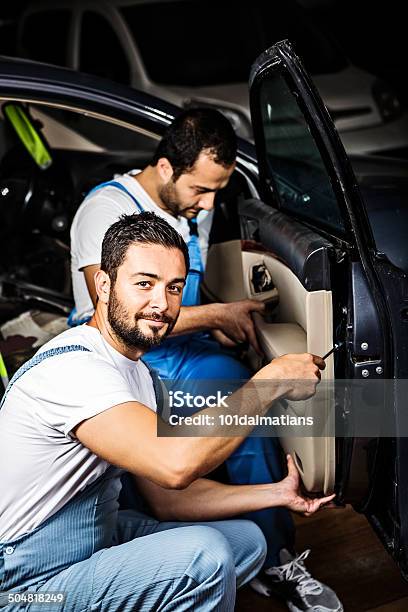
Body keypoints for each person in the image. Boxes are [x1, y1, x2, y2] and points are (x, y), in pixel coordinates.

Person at [70, 109, 343, 612]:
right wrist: (217, 314)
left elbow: (178, 299)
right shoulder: (104, 209)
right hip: (126, 348)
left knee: (241, 380)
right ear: (167, 168)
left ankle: (272, 550)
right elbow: (114, 312)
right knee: (233, 388)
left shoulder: (190, 204)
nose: (210, 202)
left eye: (218, 189)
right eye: (202, 189)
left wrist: (217, 322)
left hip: (178, 347)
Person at [0, 212, 333, 611]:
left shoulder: (141, 377)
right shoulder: (74, 368)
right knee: (204, 557)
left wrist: (276, 493)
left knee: (248, 542)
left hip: (96, 539)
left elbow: (168, 500)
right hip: (24, 584)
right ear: (103, 286)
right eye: (144, 284)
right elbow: (176, 465)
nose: (162, 304)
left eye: (174, 288)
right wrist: (269, 382)